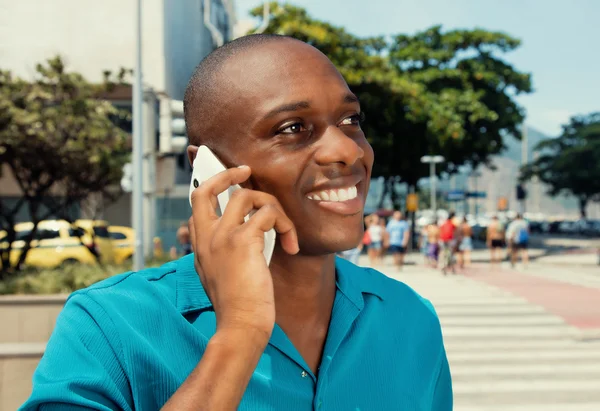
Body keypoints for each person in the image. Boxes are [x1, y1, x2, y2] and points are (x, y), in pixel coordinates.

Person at [22, 34, 452, 410]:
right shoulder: (109, 326)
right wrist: (239, 336)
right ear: (208, 167)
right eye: (293, 128)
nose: (348, 151)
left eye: (350, 121)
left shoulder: (410, 318)